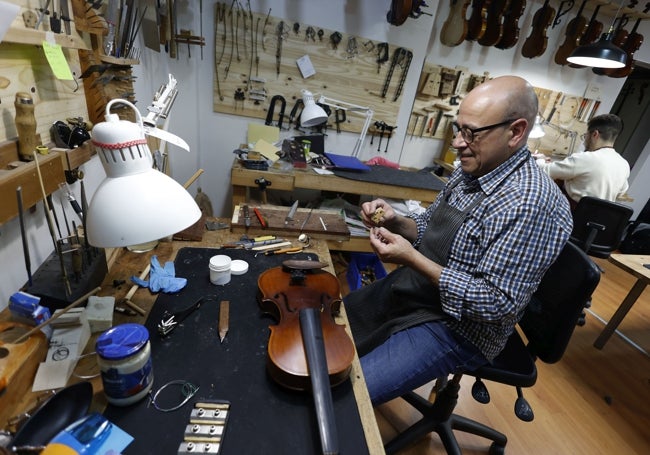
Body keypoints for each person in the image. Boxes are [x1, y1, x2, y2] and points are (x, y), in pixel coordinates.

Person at [343, 75, 573, 406]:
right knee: (330, 331)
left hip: (460, 329)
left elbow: (493, 303)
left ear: (516, 132)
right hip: (418, 289)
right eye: (458, 129)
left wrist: (411, 258)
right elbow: (429, 225)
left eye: (471, 133)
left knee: (349, 399)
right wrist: (397, 221)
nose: (457, 143)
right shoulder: (473, 167)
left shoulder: (531, 204)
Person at [536, 114, 630, 209]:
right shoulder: (624, 165)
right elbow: (621, 194)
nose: (584, 141)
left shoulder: (586, 158)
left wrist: (540, 159)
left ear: (595, 134)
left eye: (586, 136)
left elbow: (545, 171)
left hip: (570, 216)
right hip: (598, 220)